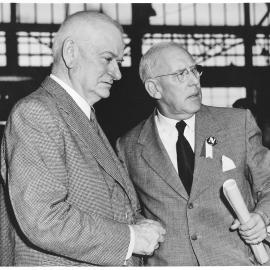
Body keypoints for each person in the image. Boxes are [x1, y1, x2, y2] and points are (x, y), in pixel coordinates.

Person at [0, 11, 165, 266]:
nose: (118, 73)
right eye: (108, 59)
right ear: (70, 53)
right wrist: (130, 237)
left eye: (118, 61)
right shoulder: (37, 113)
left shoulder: (81, 117)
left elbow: (101, 203)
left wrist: (134, 222)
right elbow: (43, 219)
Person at [116, 42, 270, 266]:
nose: (194, 80)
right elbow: (128, 211)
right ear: (154, 89)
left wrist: (262, 216)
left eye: (194, 70)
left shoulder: (237, 123)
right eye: (180, 74)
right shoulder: (127, 146)